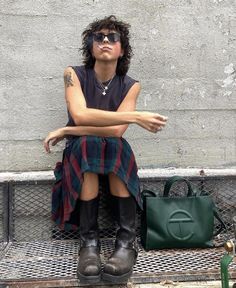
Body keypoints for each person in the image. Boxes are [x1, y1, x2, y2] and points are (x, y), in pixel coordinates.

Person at [44, 15, 167, 284]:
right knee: (88, 144)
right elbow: (80, 114)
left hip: (109, 149)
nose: (105, 42)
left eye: (113, 38)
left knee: (115, 144)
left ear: (122, 49)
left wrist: (66, 130)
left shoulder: (130, 84)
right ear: (91, 46)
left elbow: (114, 131)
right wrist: (134, 116)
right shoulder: (72, 74)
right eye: (98, 37)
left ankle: (125, 243)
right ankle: (89, 244)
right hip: (82, 150)